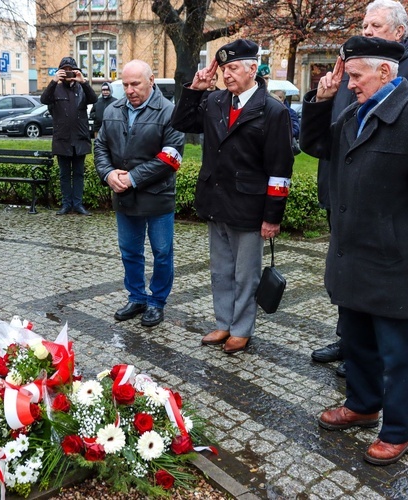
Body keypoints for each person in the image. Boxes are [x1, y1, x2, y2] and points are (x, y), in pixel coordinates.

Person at [301, 36, 408, 465]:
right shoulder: (356, 111)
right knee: (357, 342)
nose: (350, 83)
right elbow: (316, 147)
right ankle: (363, 404)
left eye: (355, 75)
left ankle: (398, 432)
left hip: (395, 261)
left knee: (398, 354)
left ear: (385, 72)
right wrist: (321, 99)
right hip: (352, 254)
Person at [311, 0, 408, 375]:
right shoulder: (357, 65)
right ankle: (351, 346)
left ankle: (370, 363)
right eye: (364, 24)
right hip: (348, 194)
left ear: (399, 34)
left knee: (384, 306)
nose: (366, 30)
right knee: (350, 278)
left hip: (385, 211)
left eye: (375, 25)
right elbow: (334, 132)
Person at [172, 39, 293, 354]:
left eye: (234, 68)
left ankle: (241, 328)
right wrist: (196, 89)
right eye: (224, 69)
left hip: (250, 207)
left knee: (245, 273)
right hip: (216, 201)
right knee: (220, 270)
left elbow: (281, 170)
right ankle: (224, 323)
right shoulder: (214, 102)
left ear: (253, 68)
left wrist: (272, 216)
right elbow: (182, 122)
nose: (227, 75)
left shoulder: (272, 110)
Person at [94, 60, 184, 328]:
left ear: (151, 80)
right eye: (125, 85)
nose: (130, 90)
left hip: (158, 196)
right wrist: (109, 174)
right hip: (124, 196)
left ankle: (157, 302)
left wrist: (132, 178)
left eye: (135, 84)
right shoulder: (113, 110)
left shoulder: (169, 112)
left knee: (162, 252)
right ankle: (136, 296)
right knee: (130, 251)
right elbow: (100, 148)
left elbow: (171, 158)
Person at [41, 56, 97, 215]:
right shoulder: (55, 88)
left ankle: (78, 204)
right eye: (64, 71)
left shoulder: (81, 88)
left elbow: (94, 99)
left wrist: (83, 82)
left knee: (78, 174)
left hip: (80, 139)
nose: (67, 74)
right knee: (64, 175)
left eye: (70, 70)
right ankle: (66, 204)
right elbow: (43, 99)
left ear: (76, 71)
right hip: (62, 140)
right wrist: (53, 82)